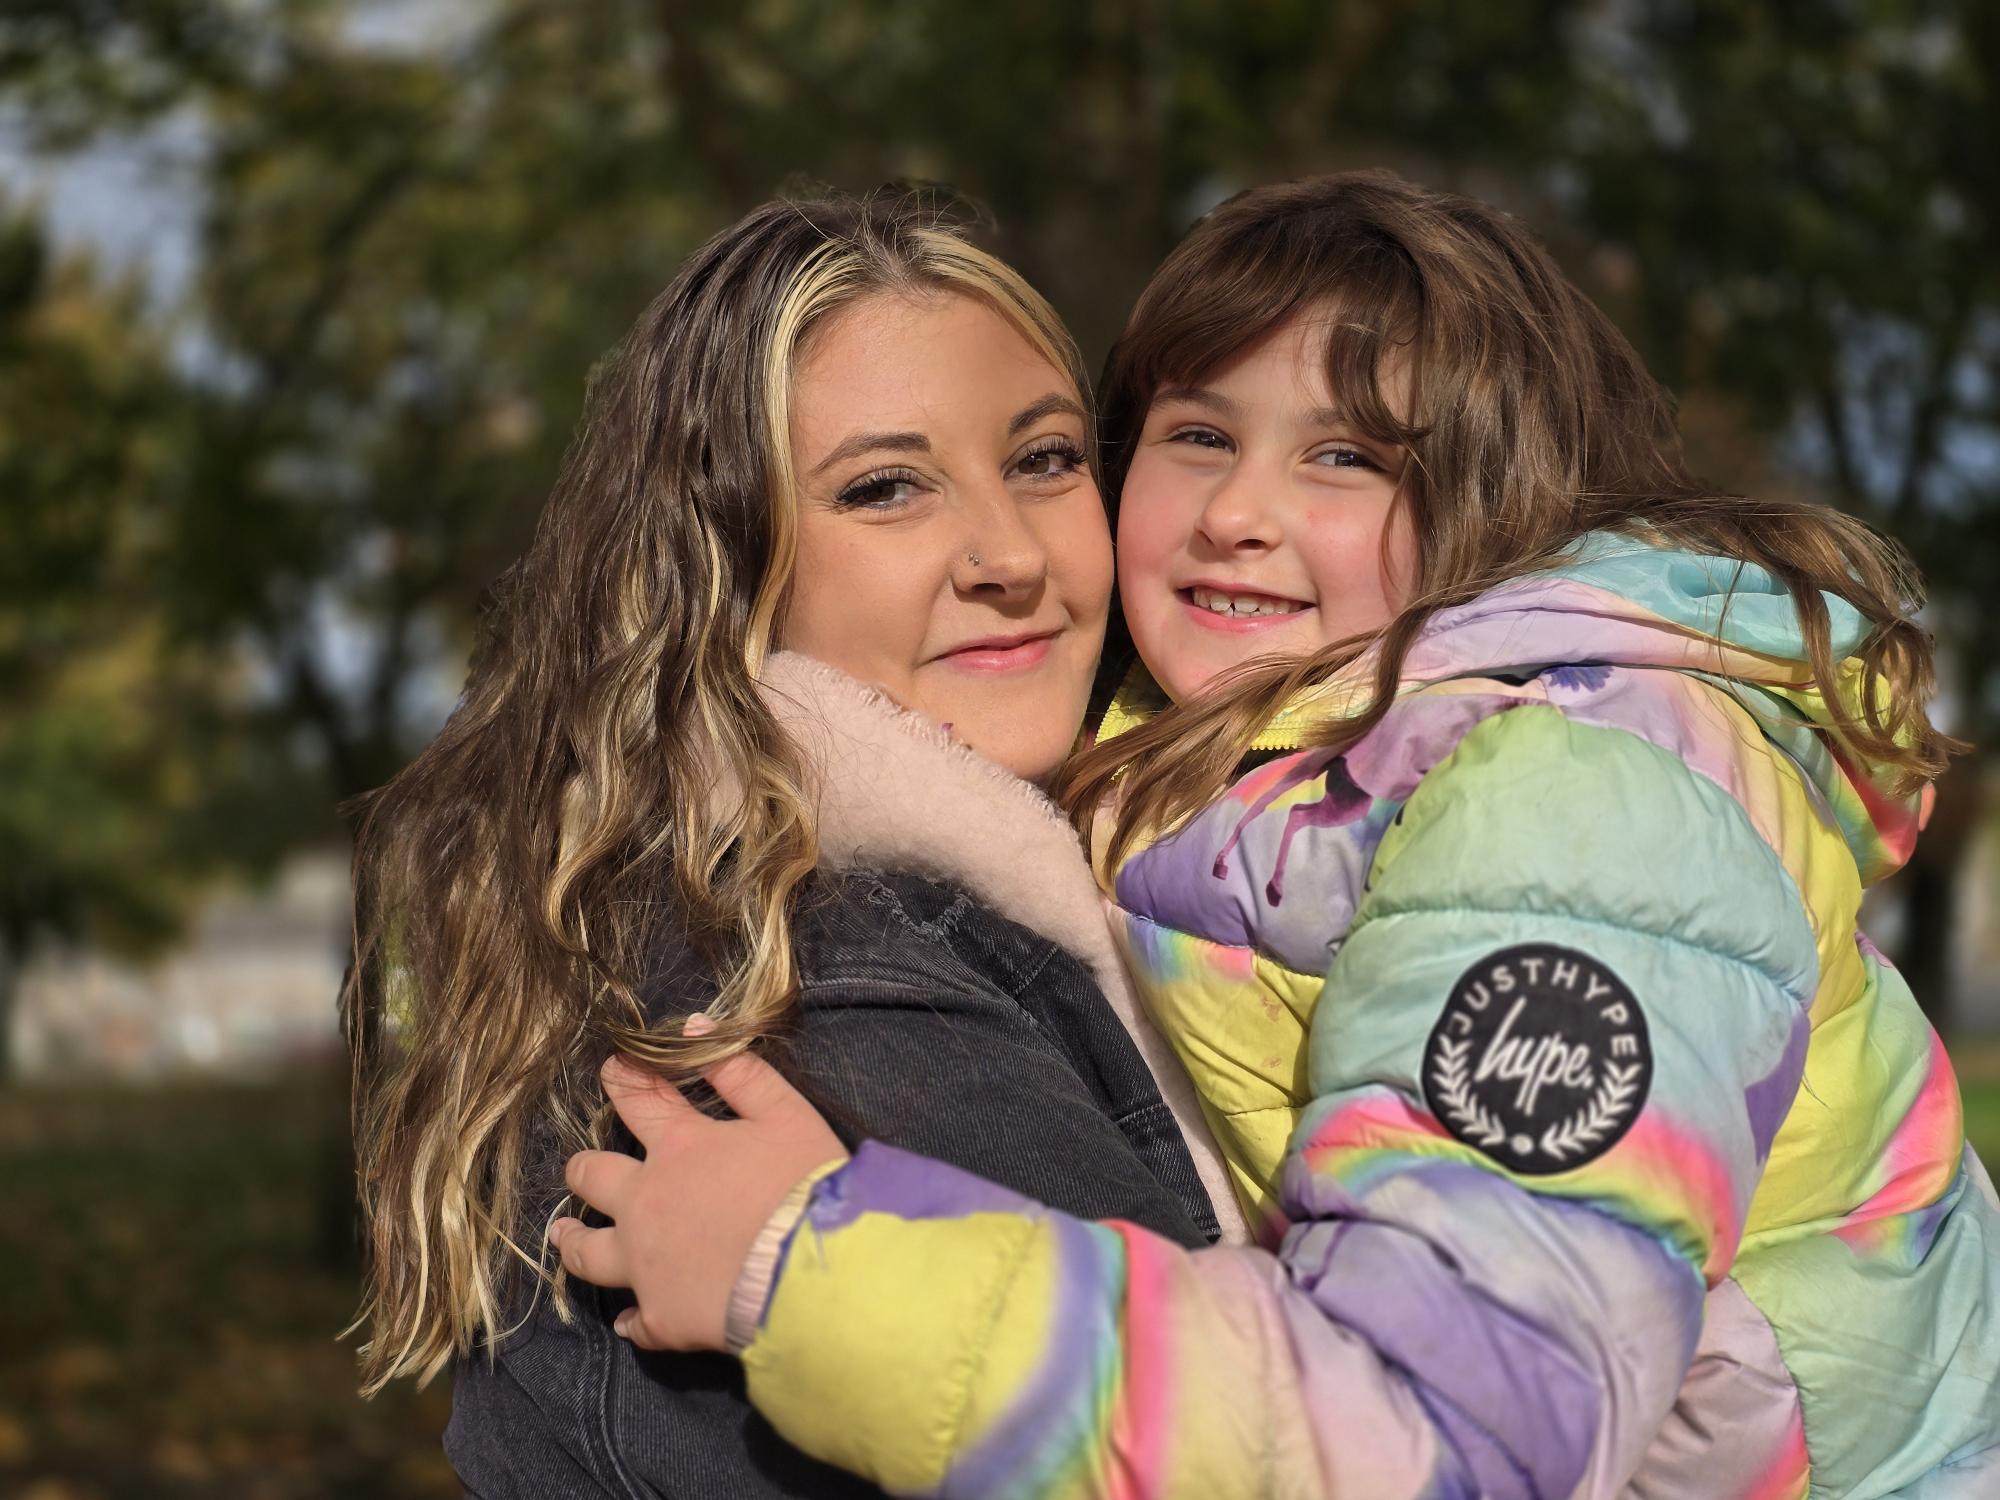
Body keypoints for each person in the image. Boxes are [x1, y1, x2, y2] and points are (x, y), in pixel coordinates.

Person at [554, 172, 2000, 1496]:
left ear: (1508, 509)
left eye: (1350, 458)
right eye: (1197, 435)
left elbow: (1447, 1435)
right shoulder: (1202, 760)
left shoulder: (1576, 807)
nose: (1240, 512)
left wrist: (803, 1269)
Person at [341, 186, 1247, 1500]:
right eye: (887, 488)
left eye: (1047, 459)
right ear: (730, 557)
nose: (1009, 553)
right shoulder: (815, 971)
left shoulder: (775, 895)